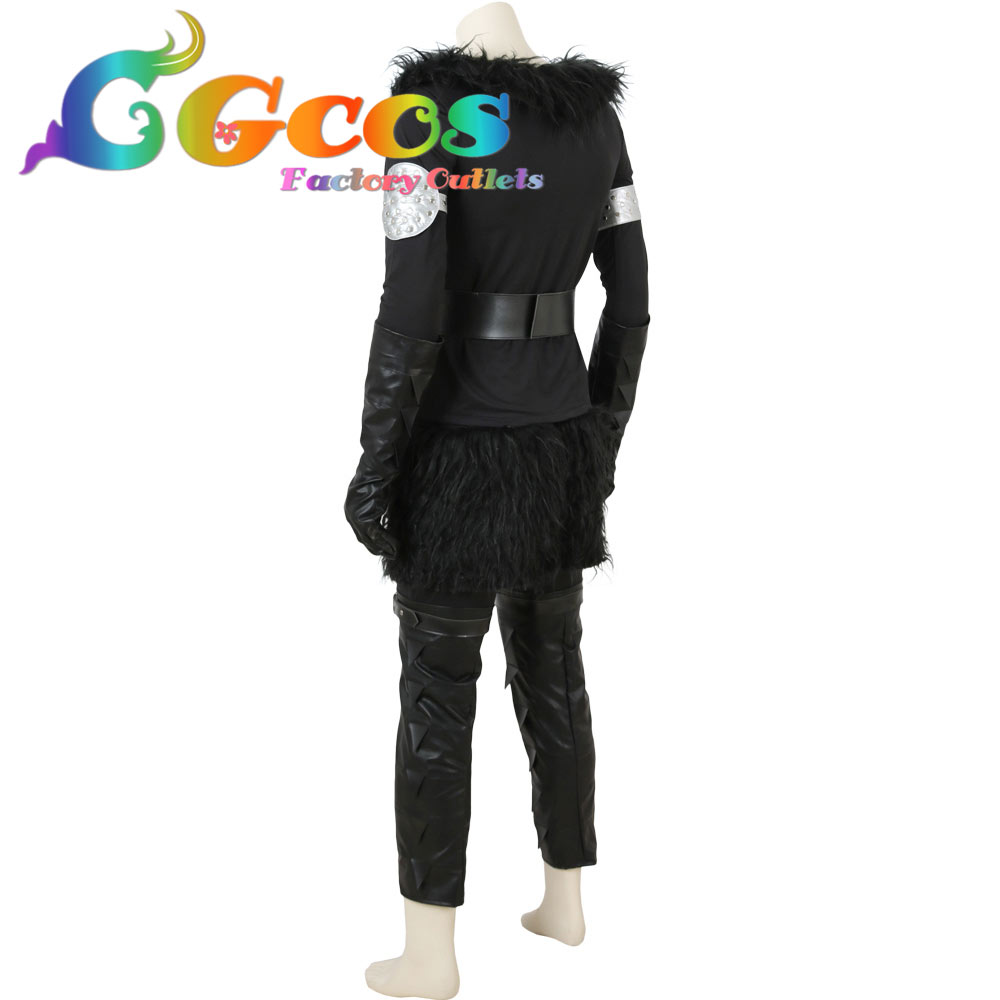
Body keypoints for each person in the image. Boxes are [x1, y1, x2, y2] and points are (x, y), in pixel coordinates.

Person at [344, 7, 649, 997]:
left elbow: (410, 304)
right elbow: (632, 296)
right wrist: (598, 439)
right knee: (554, 671)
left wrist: (376, 463)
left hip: (454, 454)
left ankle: (429, 956)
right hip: (559, 443)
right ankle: (565, 902)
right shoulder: (595, 119)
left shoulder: (425, 113)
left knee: (437, 696)